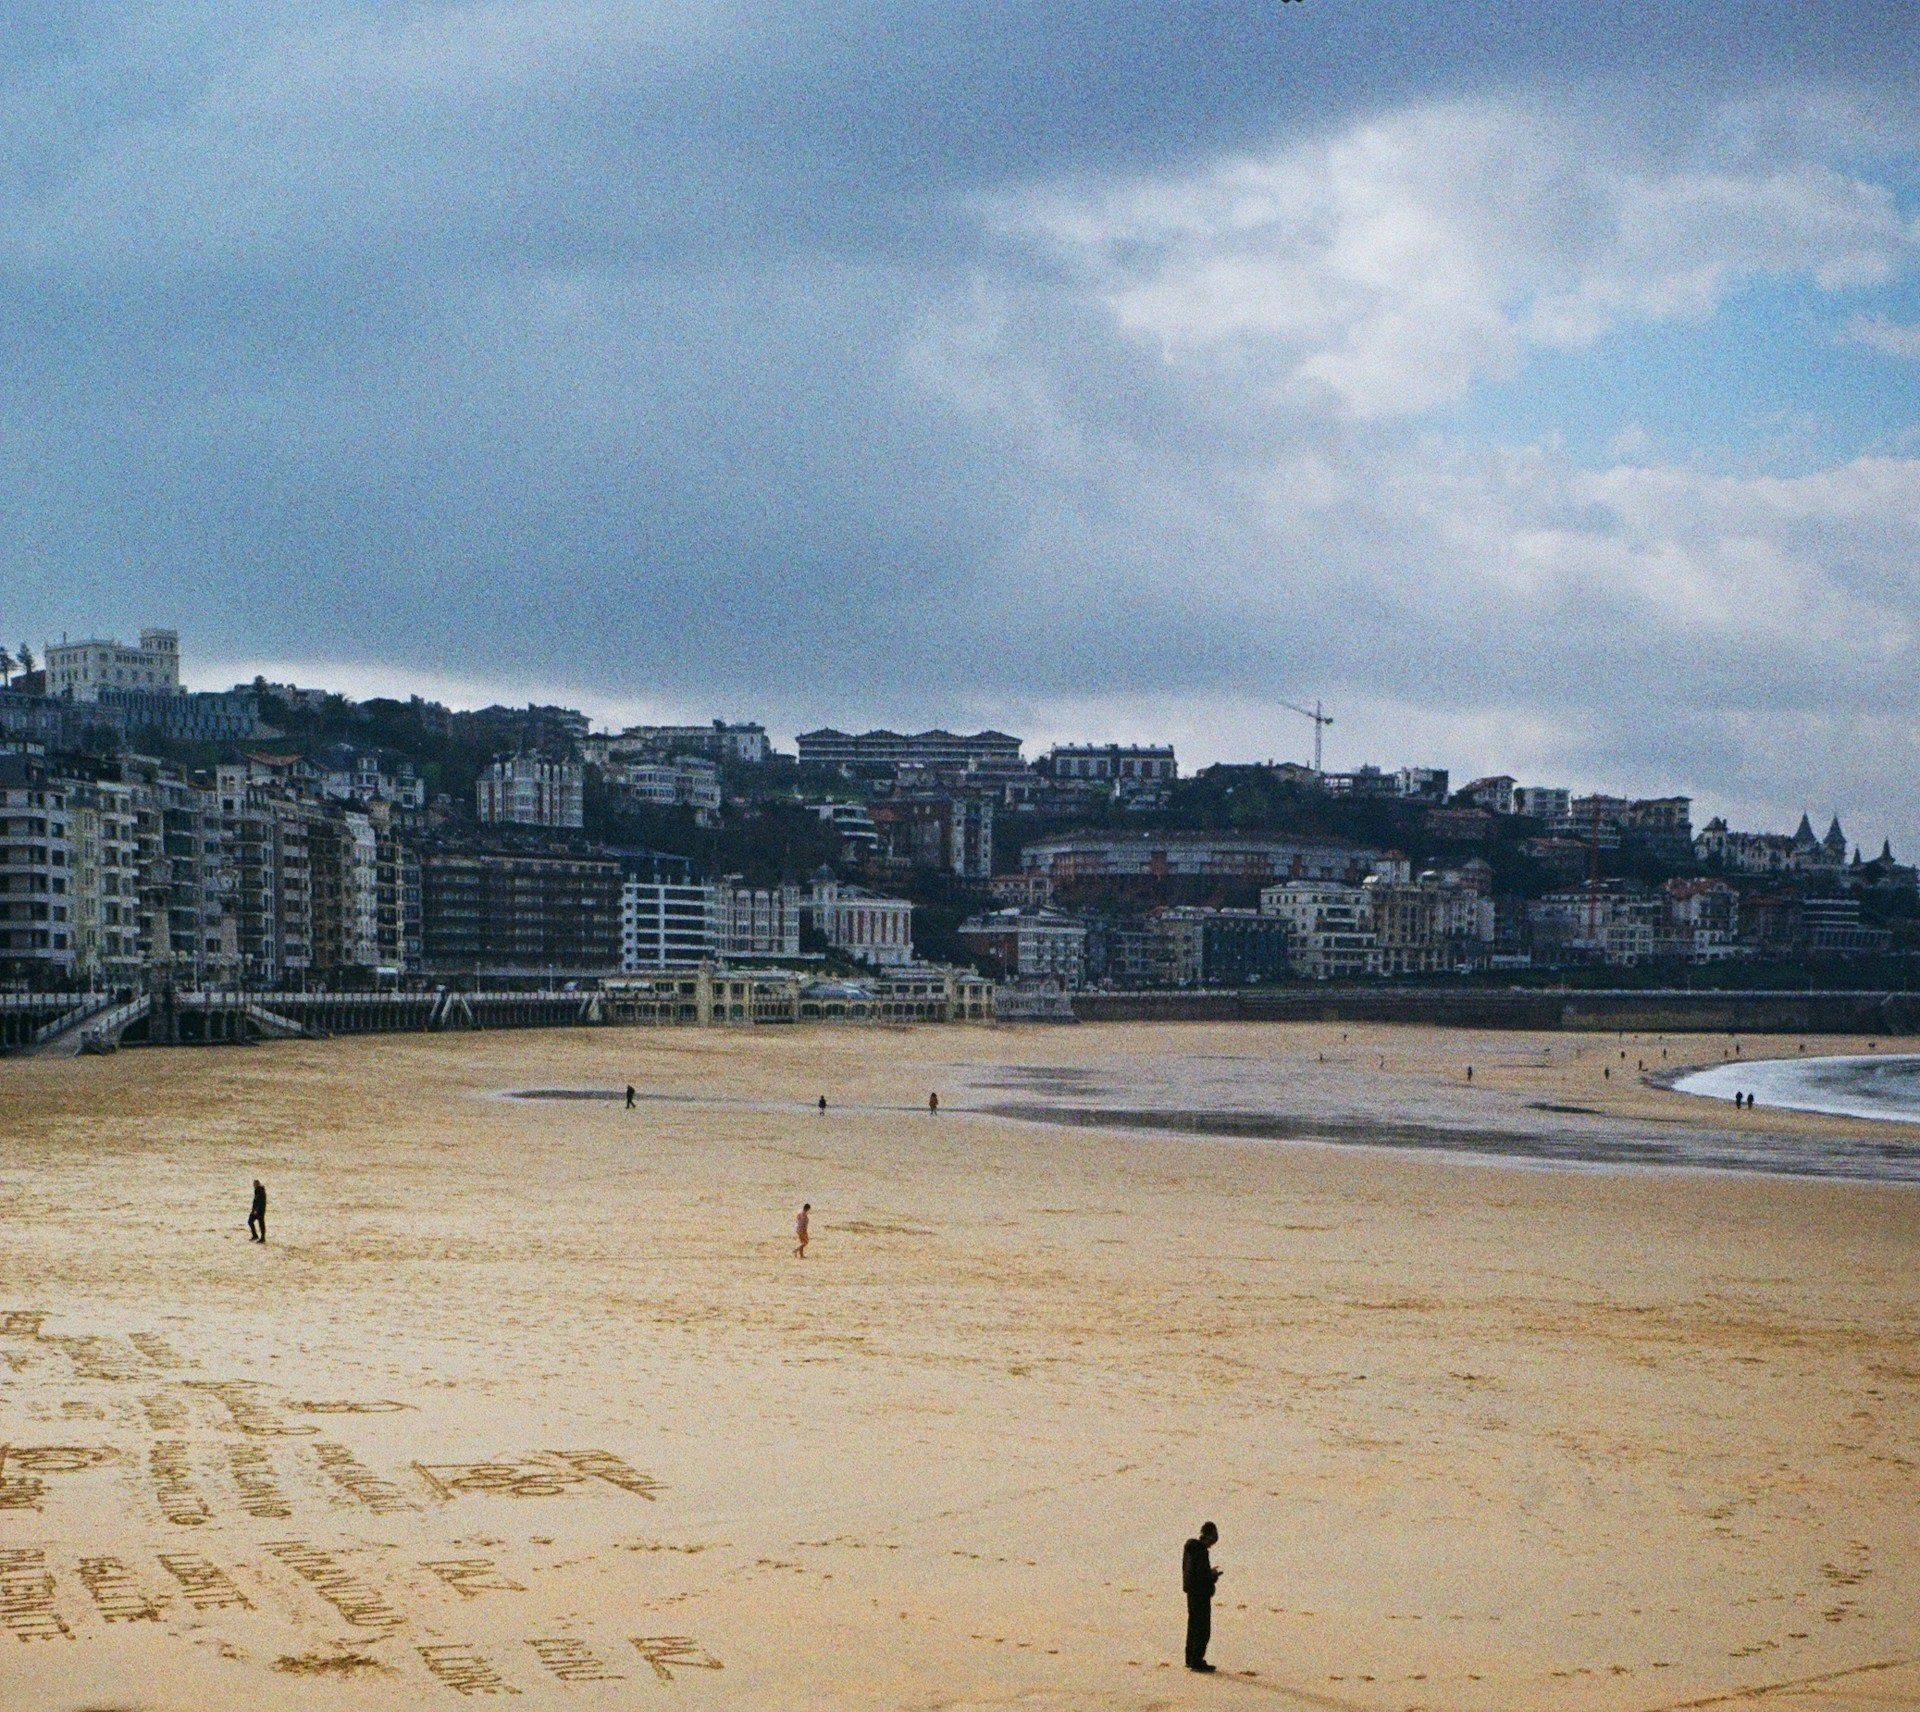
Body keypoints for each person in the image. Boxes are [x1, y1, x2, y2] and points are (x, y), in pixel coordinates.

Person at [1182, 1521, 1221, 1671]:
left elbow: (1193, 1572)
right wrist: (1213, 1576)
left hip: (1191, 1594)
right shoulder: (1201, 1551)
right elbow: (1201, 1576)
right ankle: (1197, 1661)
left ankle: (1190, 1659)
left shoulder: (1190, 1549)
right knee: (1203, 1629)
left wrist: (1208, 1573)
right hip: (1200, 1595)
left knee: (1193, 1626)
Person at [247, 1179, 267, 1243]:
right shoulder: (257, 1190)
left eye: (254, 1184)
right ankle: (255, 1235)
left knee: (261, 1224)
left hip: (259, 1211)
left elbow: (261, 1202)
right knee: (250, 1221)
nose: (254, 1185)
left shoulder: (260, 1191)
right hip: (256, 1210)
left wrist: (256, 1210)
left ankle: (262, 1237)